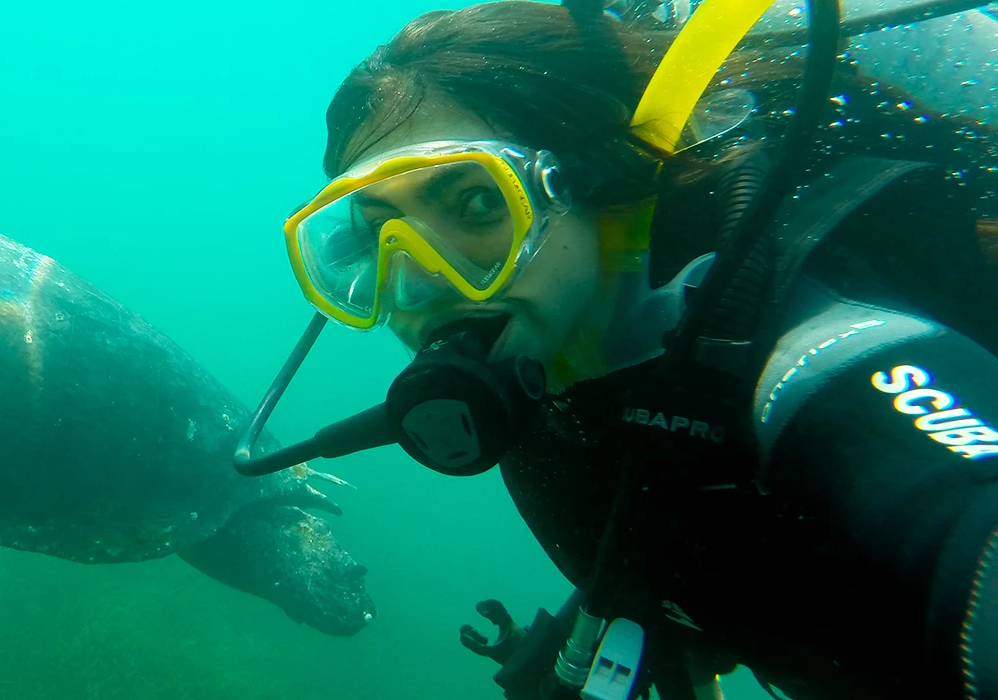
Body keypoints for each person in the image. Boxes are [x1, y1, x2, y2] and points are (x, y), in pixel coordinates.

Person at [231, 0, 998, 698]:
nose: (421, 283)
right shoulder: (548, 377)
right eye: (376, 235)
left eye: (474, 202)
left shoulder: (813, 361)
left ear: (608, 189)